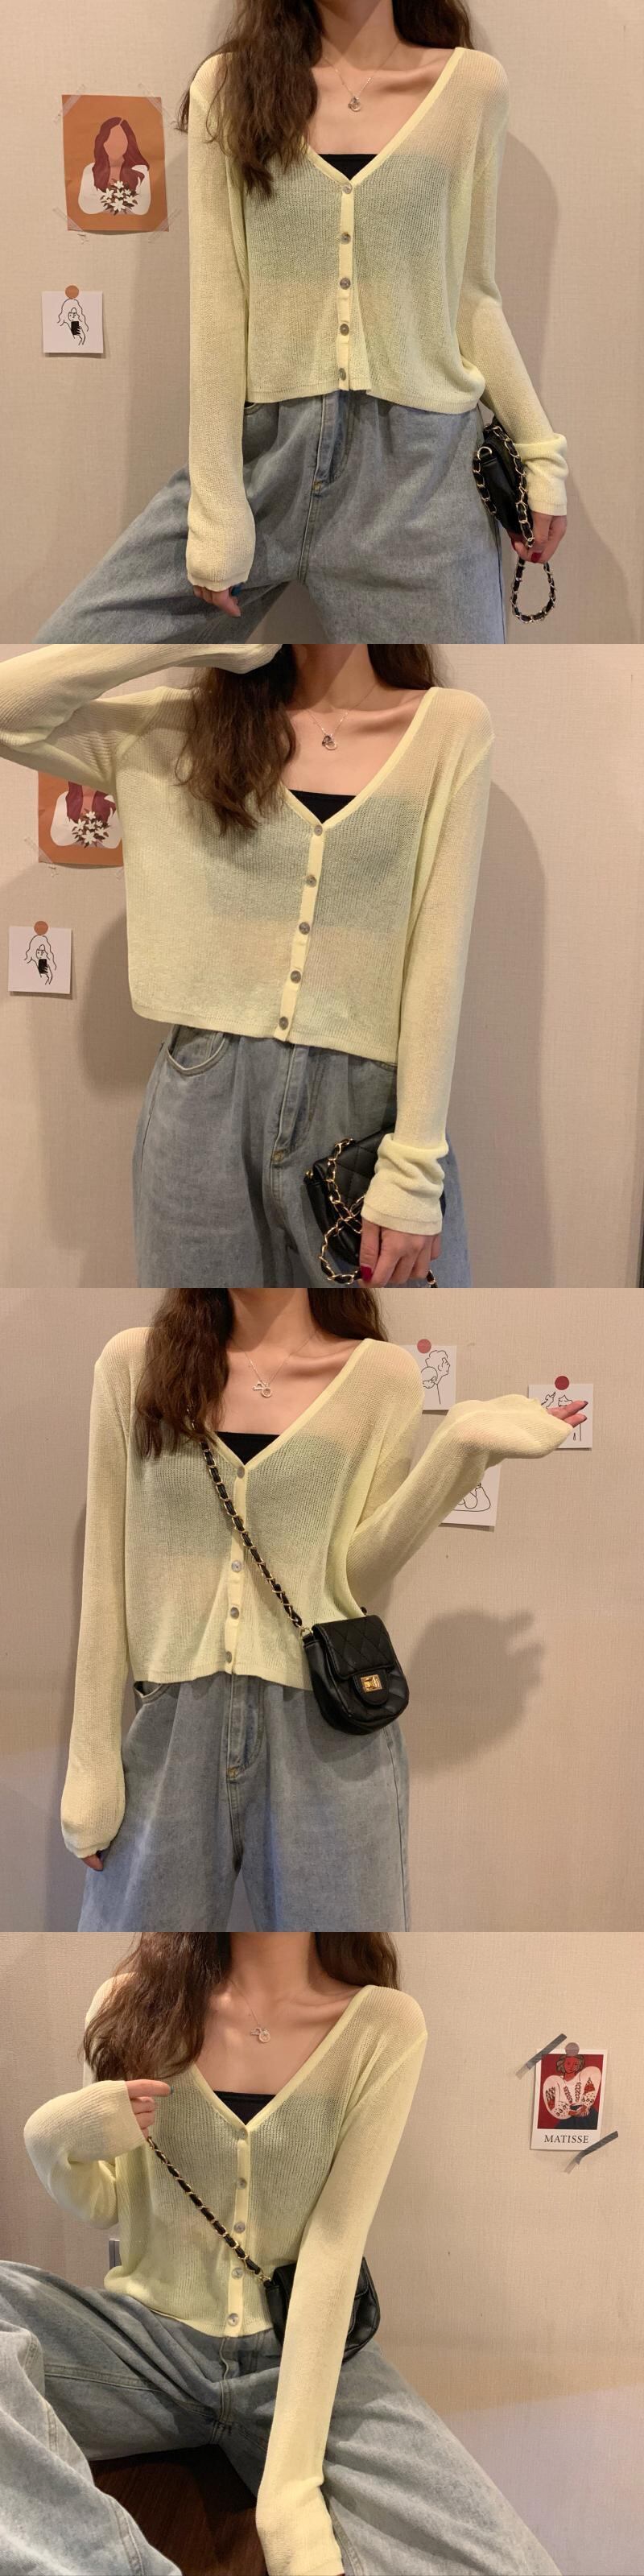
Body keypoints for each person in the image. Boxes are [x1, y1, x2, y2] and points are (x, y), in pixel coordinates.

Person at [0, 1930, 563, 2576]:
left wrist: (290, 2491)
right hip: (145, 2352)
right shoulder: (130, 2004)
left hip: (302, 2358)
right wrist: (50, 2140)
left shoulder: (381, 2027)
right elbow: (110, 2204)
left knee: (507, 2562)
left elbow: (334, 2244)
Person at [39, 1, 567, 646]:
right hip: (263, 463)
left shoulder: (473, 88)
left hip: (421, 487)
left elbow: (472, 297)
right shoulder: (229, 87)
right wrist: (219, 508)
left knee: (440, 695)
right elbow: (219, 307)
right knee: (52, 672)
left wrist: (540, 455)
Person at [64, 1286, 584, 1930]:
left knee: (345, 1961)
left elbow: (355, 1577)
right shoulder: (135, 1363)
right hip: (172, 1730)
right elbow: (105, 1571)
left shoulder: (382, 1377)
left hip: (327, 1731)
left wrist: (459, 1453)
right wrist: (89, 1765)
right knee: (139, 1952)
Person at [0, 636, 492, 1287]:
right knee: (214, 1320)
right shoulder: (181, 728)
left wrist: (416, 1165)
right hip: (203, 1100)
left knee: (387, 1317)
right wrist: (200, 637)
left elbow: (438, 958)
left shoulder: (449, 726)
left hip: (369, 1111)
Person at [77, 117, 151, 218]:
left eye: (120, 140)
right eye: (110, 139)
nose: (115, 145)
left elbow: (142, 208)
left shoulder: (140, 170)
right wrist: (124, 200)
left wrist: (104, 201)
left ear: (128, 142)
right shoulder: (90, 170)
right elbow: (86, 206)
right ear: (102, 142)